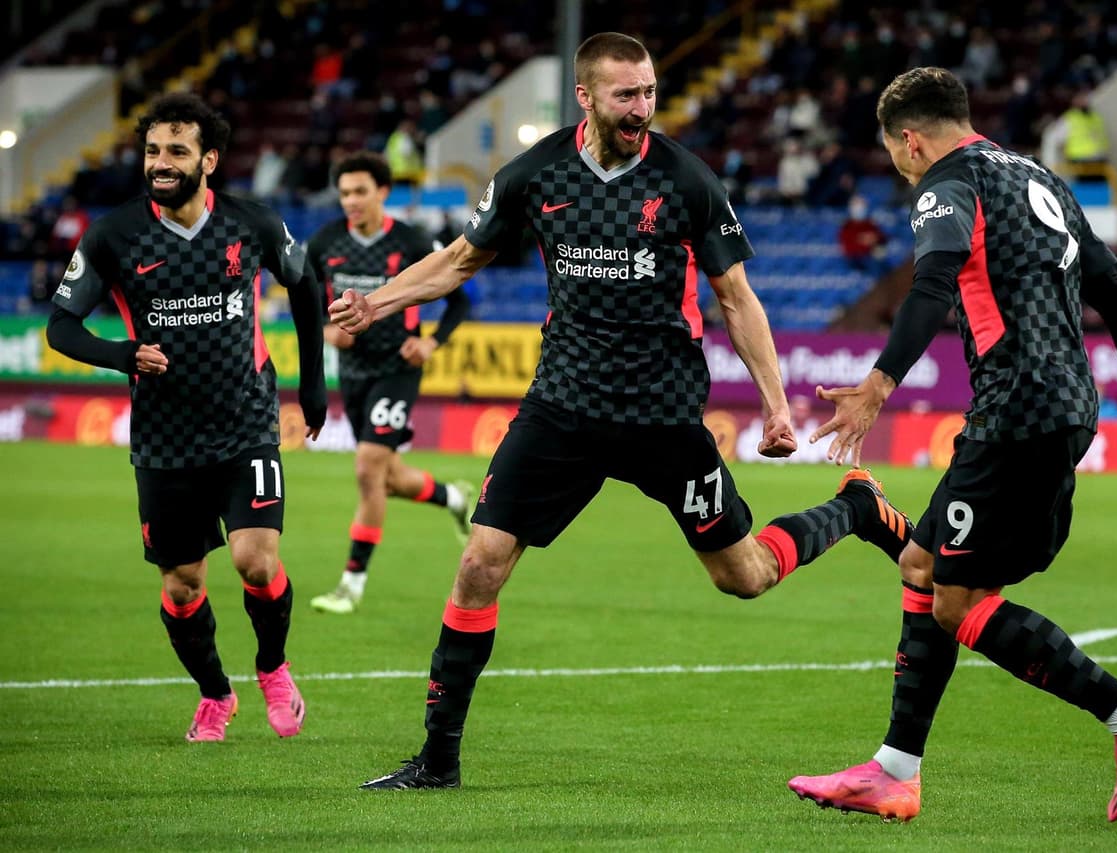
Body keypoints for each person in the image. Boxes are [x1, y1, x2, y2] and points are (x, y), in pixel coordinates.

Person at [329, 32, 915, 790]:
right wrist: (374, 304)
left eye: (649, 93)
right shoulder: (537, 173)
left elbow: (736, 297)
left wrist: (775, 406)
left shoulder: (685, 180)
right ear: (586, 97)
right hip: (561, 409)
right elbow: (459, 260)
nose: (642, 108)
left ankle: (855, 505)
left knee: (742, 575)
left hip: (664, 418)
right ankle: (437, 760)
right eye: (626, 95)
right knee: (478, 563)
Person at [787, 68, 1117, 823]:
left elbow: (933, 281)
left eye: (895, 153)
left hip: (1018, 412)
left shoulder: (946, 182)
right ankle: (894, 769)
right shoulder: (1041, 177)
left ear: (911, 140)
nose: (902, 166)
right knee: (923, 566)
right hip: (1058, 407)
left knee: (956, 601)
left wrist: (878, 384)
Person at [44, 92, 327, 742]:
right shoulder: (114, 235)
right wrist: (121, 354)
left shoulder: (250, 223)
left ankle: (273, 666)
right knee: (180, 584)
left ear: (209, 159)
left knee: (255, 559)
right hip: (166, 439)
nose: (161, 163)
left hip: (247, 420)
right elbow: (61, 325)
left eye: (176, 151)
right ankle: (214, 694)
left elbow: (305, 283)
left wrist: (313, 385)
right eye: (152, 151)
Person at [306, 152, 475, 615]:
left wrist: (431, 343)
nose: (351, 201)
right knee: (388, 477)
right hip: (354, 373)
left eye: (360, 191)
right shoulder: (325, 243)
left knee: (366, 471)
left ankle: (351, 584)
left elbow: (460, 302)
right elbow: (309, 305)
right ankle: (454, 497)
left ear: (383, 192)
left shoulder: (412, 241)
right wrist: (326, 330)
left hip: (398, 371)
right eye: (344, 193)